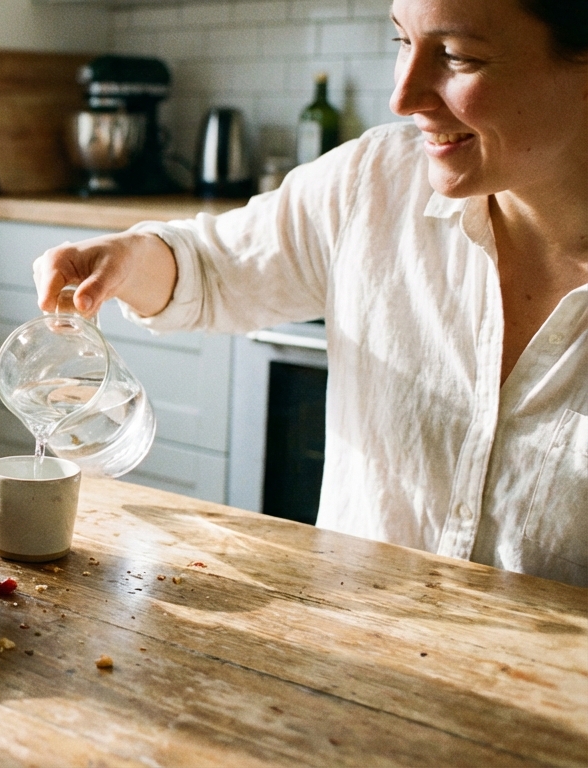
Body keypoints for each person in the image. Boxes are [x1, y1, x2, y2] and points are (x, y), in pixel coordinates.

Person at [32, 0, 588, 587]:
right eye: (402, 42)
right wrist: (125, 261)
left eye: (457, 57)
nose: (402, 97)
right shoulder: (373, 181)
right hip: (349, 650)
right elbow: (212, 268)